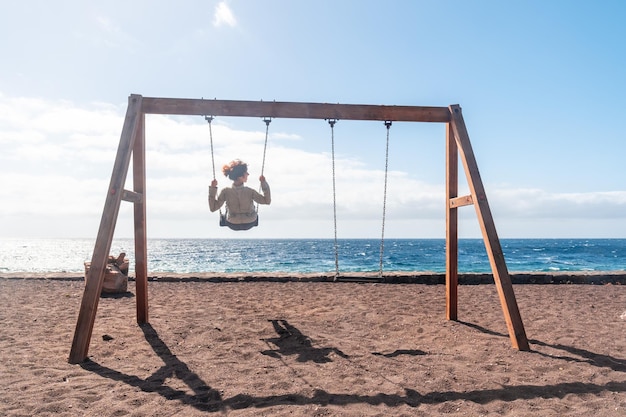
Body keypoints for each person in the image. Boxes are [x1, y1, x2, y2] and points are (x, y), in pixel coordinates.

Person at [208, 159, 271, 229]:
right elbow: (267, 201)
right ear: (240, 177)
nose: (248, 174)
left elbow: (213, 208)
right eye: (246, 172)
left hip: (232, 223)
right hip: (250, 222)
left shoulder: (225, 191)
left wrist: (213, 188)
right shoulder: (250, 191)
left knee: (224, 216)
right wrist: (263, 183)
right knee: (254, 212)